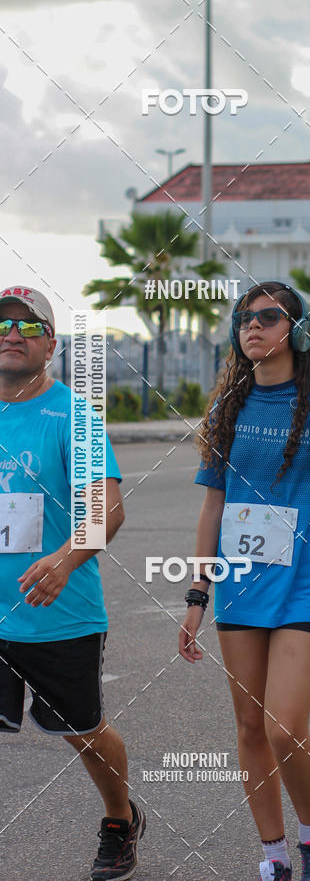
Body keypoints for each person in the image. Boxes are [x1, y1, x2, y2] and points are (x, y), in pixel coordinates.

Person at [179, 282, 310, 880]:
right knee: (250, 727)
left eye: (267, 316)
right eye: (243, 318)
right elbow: (213, 507)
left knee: (285, 726)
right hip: (239, 586)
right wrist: (196, 596)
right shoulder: (228, 407)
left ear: (298, 330)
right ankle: (275, 856)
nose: (251, 326)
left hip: (306, 587)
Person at [0, 286, 146, 881]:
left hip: (58, 613)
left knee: (83, 733)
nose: (12, 335)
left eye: (28, 328)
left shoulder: (75, 416)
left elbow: (106, 509)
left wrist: (63, 560)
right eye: (2, 326)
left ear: (51, 345)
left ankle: (119, 818)